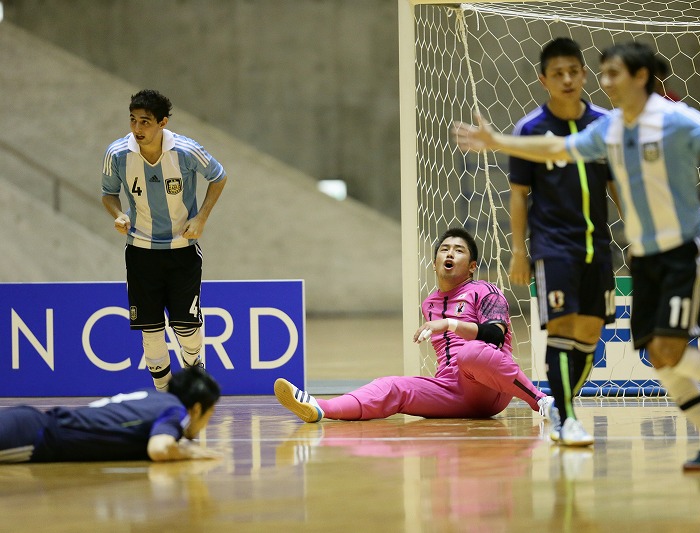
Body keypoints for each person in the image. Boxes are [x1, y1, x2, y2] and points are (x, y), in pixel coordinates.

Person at [451, 41, 700, 470]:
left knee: (670, 347)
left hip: (684, 250)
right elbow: (555, 150)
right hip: (645, 258)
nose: (604, 83)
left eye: (612, 73)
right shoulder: (609, 128)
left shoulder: (676, 120)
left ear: (640, 77)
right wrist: (496, 140)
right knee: (657, 356)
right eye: (602, 74)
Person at [274, 227, 555, 423]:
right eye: (444, 249)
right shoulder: (429, 303)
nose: (449, 253)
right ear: (434, 264)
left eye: (458, 250)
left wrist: (449, 324)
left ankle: (542, 402)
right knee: (393, 386)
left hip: (490, 389)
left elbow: (494, 338)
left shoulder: (486, 291)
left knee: (468, 353)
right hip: (451, 390)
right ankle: (319, 407)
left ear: (472, 266)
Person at [508, 38, 618, 446]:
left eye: (574, 71)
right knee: (561, 326)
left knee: (590, 332)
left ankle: (559, 405)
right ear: (544, 80)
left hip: (598, 245)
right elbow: (519, 194)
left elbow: (617, 183)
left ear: (585, 74)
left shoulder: (605, 124)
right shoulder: (530, 130)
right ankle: (569, 418)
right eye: (558, 74)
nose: (568, 79)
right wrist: (520, 252)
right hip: (552, 247)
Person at [102, 90, 228, 391]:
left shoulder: (186, 151)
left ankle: (196, 389)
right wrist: (118, 214)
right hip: (141, 251)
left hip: (181, 250)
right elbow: (108, 194)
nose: (137, 128)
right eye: (133, 120)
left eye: (145, 121)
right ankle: (164, 399)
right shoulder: (117, 153)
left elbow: (219, 176)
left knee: (186, 328)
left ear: (162, 122)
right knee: (151, 331)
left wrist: (201, 219)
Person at [0, 366, 221, 462]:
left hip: (30, 423)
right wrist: (192, 454)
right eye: (211, 413)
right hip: (34, 437)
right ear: (197, 408)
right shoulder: (176, 411)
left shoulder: (152, 396)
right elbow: (159, 450)